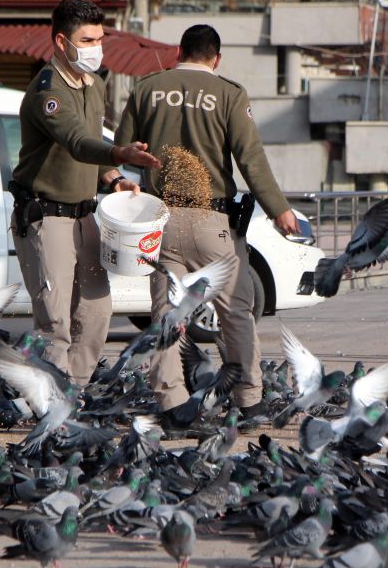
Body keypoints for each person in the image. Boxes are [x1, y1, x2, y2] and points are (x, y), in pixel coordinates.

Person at [114, 24, 298, 425]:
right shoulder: (229, 94)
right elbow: (250, 158)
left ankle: (173, 405)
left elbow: (121, 148)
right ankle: (249, 400)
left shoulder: (147, 89)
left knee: (167, 315)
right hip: (211, 220)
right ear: (217, 58)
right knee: (235, 311)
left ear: (179, 52)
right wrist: (279, 209)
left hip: (159, 219)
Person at [12, 0, 160, 382]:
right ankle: (50, 406)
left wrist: (113, 177)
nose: (96, 48)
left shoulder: (94, 85)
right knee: (55, 325)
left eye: (99, 40)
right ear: (62, 42)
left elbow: (92, 145)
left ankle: (72, 396)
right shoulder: (48, 91)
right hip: (46, 218)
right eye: (87, 40)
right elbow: (78, 142)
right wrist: (119, 152)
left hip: (85, 216)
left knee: (95, 314)